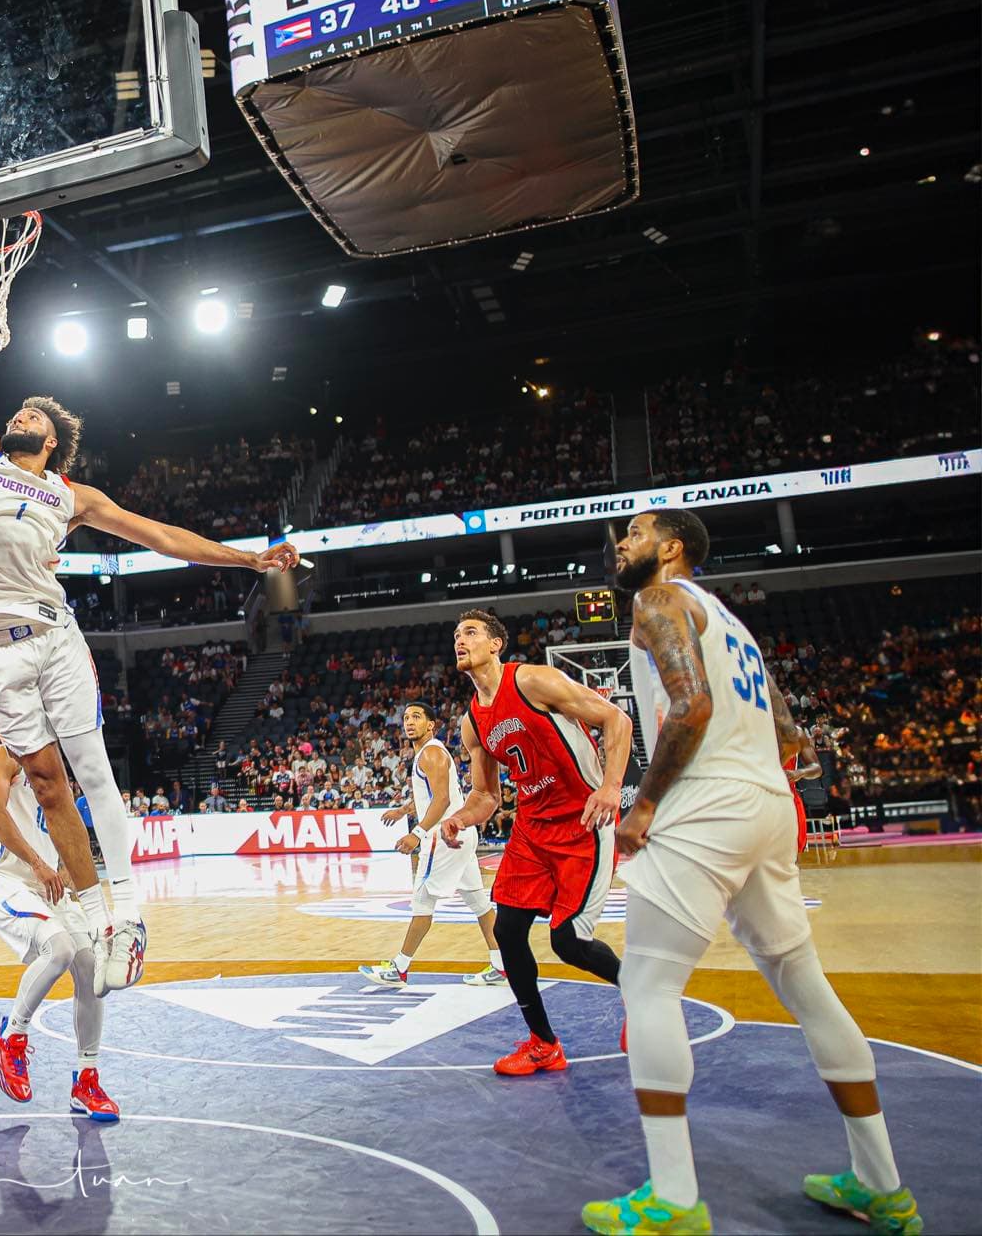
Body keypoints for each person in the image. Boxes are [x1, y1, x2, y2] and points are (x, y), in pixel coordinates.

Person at [0, 242, 298, 995]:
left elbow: (162, 536)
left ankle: (127, 914)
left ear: (53, 441)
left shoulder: (72, 496)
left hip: (55, 635)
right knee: (44, 779)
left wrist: (249, 560)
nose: (18, 411)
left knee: (92, 770)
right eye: (18, 408)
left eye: (33, 412)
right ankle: (95, 912)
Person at [580, 511, 921, 1235]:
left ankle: (672, 1200)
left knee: (647, 984)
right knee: (806, 984)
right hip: (767, 804)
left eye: (635, 533)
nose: (622, 545)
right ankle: (881, 1186)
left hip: (707, 801)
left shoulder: (657, 601)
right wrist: (774, 770)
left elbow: (692, 705)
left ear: (671, 549)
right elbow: (790, 735)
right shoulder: (731, 622)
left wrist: (644, 806)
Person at [439, 608, 633, 1076]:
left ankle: (642, 994)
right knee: (507, 931)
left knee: (567, 942)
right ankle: (544, 1043)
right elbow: (487, 795)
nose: (459, 640)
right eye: (455, 634)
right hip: (531, 828)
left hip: (583, 821)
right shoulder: (472, 722)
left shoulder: (533, 682)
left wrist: (609, 787)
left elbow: (616, 720)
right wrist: (461, 817)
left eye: (469, 632)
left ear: (495, 644)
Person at [0, 745, 118, 1120]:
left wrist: (74, 879)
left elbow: (62, 835)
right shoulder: (4, 755)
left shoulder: (55, 771)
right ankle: (11, 1037)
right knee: (59, 949)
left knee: (90, 967)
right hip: (4, 879)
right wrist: (38, 863)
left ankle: (87, 1080)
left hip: (47, 885)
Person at [361, 701, 506, 987]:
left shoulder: (431, 754)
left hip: (445, 836)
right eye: (405, 717)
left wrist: (416, 833)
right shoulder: (428, 755)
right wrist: (403, 810)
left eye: (416, 717)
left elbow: (441, 800)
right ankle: (501, 967)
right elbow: (429, 797)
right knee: (479, 903)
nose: (409, 722)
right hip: (460, 835)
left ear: (431, 725)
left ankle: (399, 968)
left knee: (422, 901)